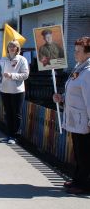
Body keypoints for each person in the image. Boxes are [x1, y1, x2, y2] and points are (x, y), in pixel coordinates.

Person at [53, 36, 90, 194]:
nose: (74, 53)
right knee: (78, 153)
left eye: (78, 51)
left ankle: (84, 185)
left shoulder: (88, 72)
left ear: (88, 53)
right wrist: (61, 98)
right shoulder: (79, 67)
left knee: (85, 155)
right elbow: (73, 93)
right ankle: (77, 180)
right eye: (75, 50)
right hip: (75, 119)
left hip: (84, 122)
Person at [0, 40, 29, 145]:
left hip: (17, 91)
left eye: (14, 46)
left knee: (16, 114)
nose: (12, 48)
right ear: (7, 48)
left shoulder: (22, 59)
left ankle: (15, 136)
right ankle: (9, 134)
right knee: (8, 113)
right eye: (10, 46)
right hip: (4, 90)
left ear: (18, 48)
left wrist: (12, 75)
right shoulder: (3, 59)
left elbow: (25, 75)